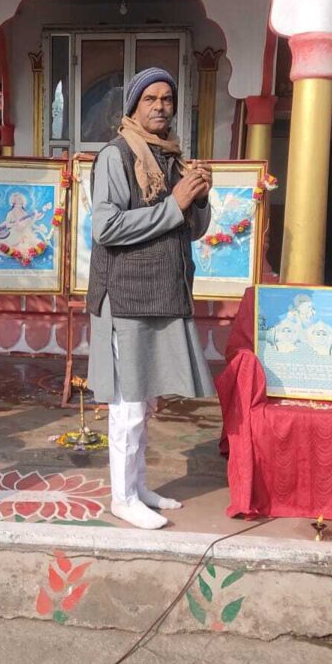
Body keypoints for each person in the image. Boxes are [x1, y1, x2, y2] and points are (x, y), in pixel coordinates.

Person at [85, 67, 216, 530]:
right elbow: (106, 228)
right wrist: (175, 203)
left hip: (162, 292)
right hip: (125, 296)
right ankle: (121, 497)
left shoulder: (170, 157)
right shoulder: (116, 156)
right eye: (150, 99)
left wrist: (199, 198)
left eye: (167, 99)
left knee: (144, 403)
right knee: (127, 407)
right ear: (134, 107)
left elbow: (190, 230)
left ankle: (138, 487)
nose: (160, 106)